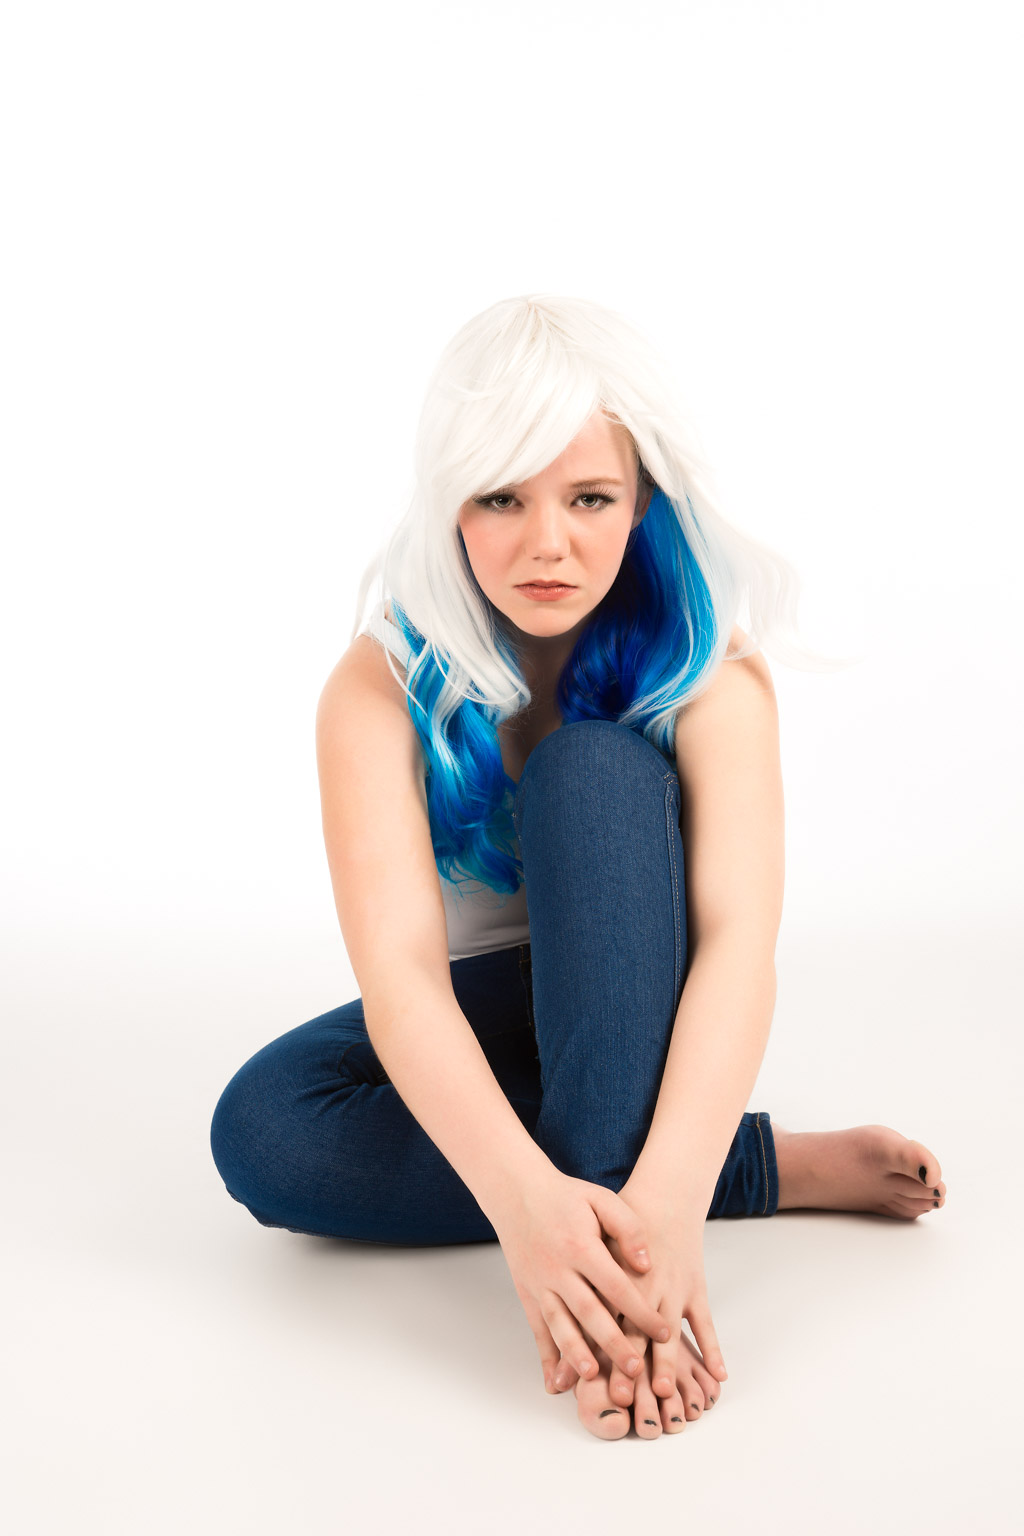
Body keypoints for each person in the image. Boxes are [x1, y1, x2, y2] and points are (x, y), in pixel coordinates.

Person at [209, 294, 945, 1441]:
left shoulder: (712, 673)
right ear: (448, 503)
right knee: (266, 1129)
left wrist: (665, 1212)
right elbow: (404, 982)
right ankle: (749, 1167)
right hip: (492, 1011)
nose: (546, 543)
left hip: (642, 1000)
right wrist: (524, 1211)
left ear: (641, 499)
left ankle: (622, 1317)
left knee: (590, 770)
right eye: (500, 497)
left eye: (589, 498)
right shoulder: (375, 688)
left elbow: (735, 950)